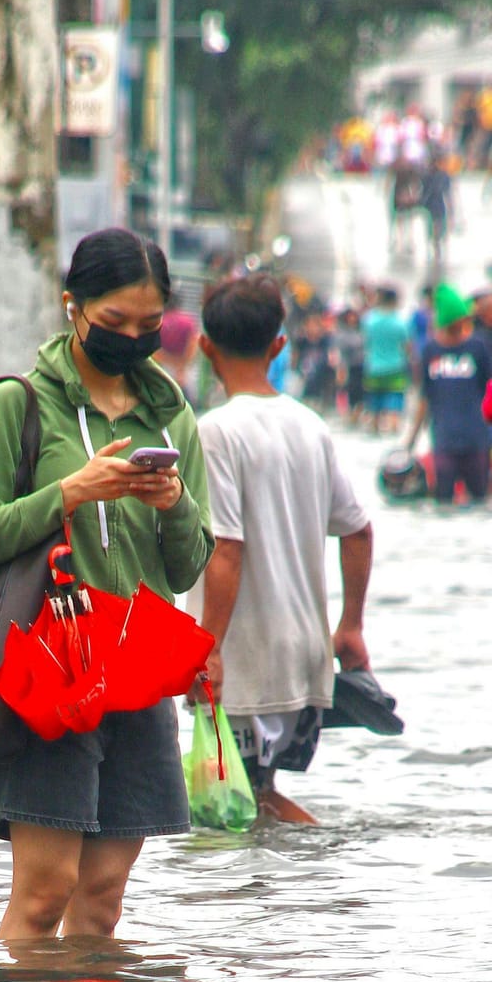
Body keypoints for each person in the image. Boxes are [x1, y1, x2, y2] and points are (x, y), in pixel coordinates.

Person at [0, 228, 214, 942]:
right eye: (114, 323)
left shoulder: (170, 416)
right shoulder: (20, 405)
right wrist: (69, 492)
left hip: (139, 666)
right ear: (73, 308)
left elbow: (190, 565)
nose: (132, 338)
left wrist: (175, 504)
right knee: (44, 893)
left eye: (148, 324)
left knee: (101, 898)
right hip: (51, 665)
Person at [194, 275, 373, 824]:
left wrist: (210, 648)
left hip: (247, 655)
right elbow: (358, 531)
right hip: (304, 654)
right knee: (245, 805)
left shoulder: (216, 431)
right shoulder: (311, 426)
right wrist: (350, 625)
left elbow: (226, 547)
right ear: (279, 345)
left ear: (204, 347)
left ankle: (331, 867)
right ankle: (294, 904)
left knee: (237, 807)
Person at [405, 284, 492, 505]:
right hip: (443, 441)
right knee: (442, 501)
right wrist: (410, 443)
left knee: (479, 500)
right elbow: (424, 398)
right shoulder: (431, 351)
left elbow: (489, 391)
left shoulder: (477, 348)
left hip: (477, 440)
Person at [361, 286, 411, 434]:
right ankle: (394, 428)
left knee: (374, 402)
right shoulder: (400, 323)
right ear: (394, 301)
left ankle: (375, 426)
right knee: (395, 402)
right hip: (396, 367)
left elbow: (366, 342)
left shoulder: (369, 320)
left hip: (373, 367)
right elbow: (407, 346)